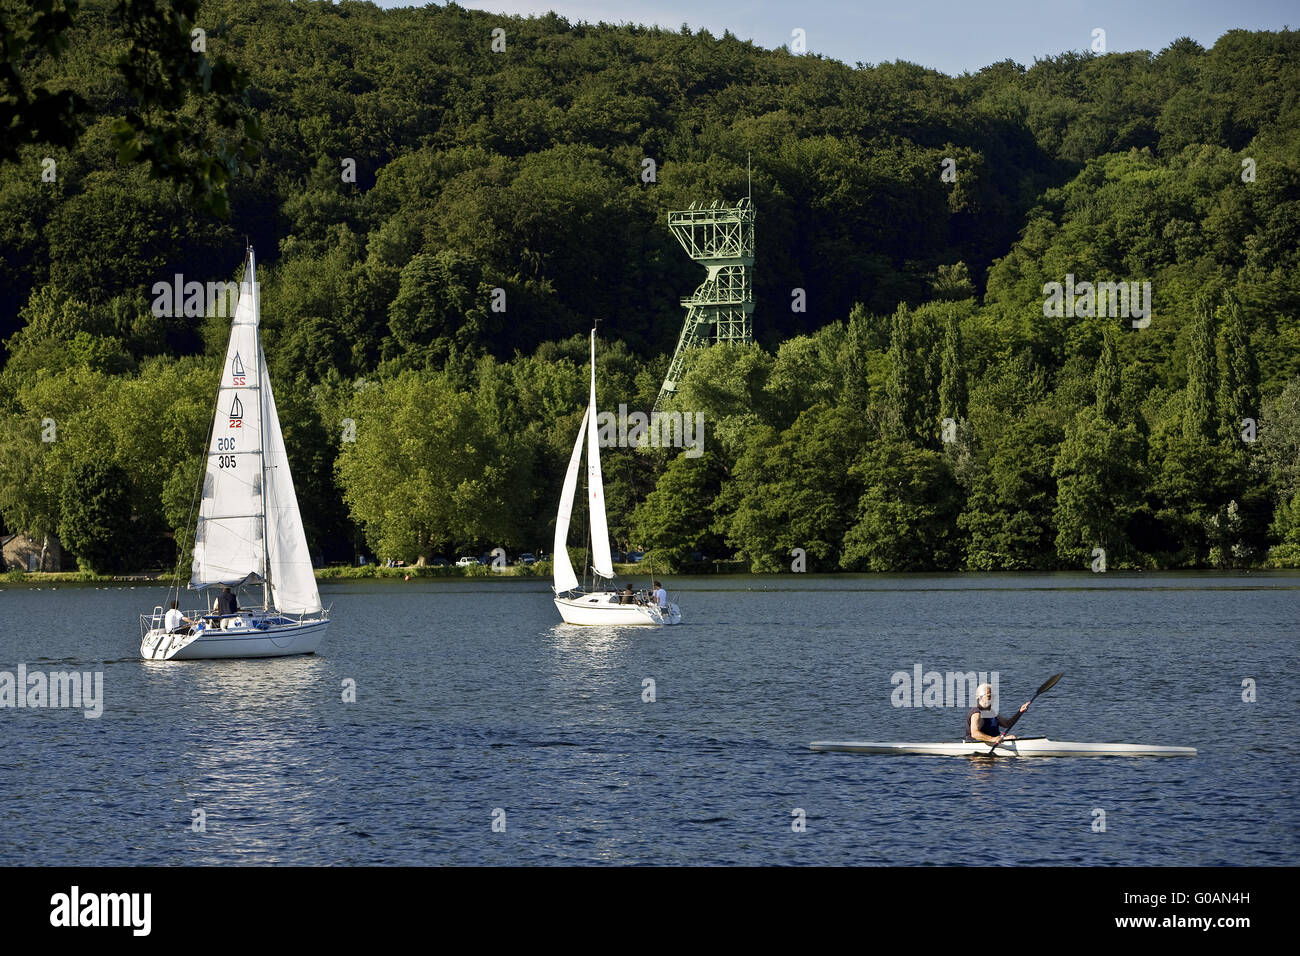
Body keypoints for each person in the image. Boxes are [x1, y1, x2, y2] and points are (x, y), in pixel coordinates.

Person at [966, 682, 1030, 744]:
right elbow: (975, 734)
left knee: (1012, 737)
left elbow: (1007, 724)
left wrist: (1020, 712)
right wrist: (993, 739)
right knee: (1011, 737)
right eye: (989, 696)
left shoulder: (991, 712)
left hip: (994, 742)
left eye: (993, 696)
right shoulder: (976, 713)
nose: (992, 699)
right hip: (978, 745)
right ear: (980, 697)